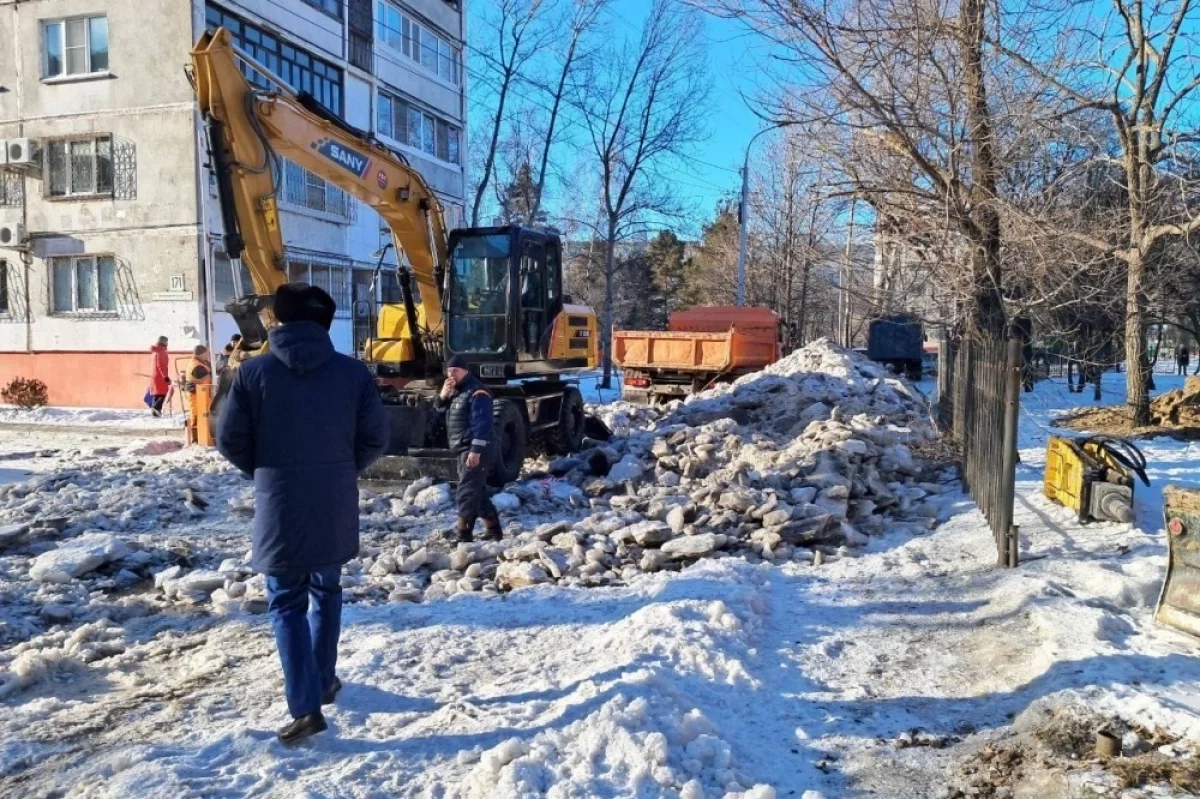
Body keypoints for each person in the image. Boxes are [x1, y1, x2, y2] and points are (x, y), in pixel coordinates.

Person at [215, 283, 390, 745]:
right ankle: (324, 679)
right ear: (326, 323)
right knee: (326, 590)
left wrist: (269, 469)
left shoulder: (254, 374)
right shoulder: (353, 374)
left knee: (286, 601)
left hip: (280, 500)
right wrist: (338, 467)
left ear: (278, 321)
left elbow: (229, 439)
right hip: (334, 498)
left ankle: (305, 707)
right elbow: (376, 439)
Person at [435, 355, 502, 543]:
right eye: (448, 371)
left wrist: (475, 450)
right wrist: (442, 397)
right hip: (462, 447)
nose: (451, 375)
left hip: (476, 448)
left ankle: (463, 534)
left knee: (465, 491)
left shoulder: (477, 392)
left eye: (455, 371)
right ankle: (493, 530)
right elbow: (439, 413)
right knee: (476, 491)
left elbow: (483, 424)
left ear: (465, 371)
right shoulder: (457, 391)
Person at [147, 336, 170, 416]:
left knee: (157, 394)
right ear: (164, 342)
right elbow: (161, 366)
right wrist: (166, 377)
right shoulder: (161, 352)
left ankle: (155, 413)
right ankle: (156, 407)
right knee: (163, 393)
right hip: (160, 377)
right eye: (167, 341)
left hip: (155, 376)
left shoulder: (154, 352)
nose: (168, 343)